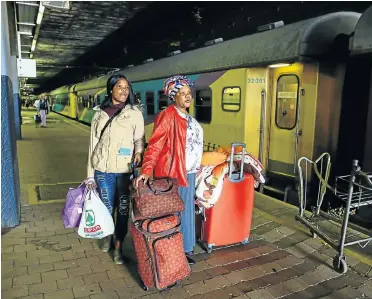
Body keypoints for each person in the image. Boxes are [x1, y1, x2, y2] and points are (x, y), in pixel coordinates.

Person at [135, 75, 203, 265]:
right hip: (175, 173)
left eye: (189, 93)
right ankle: (178, 251)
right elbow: (155, 145)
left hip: (188, 171)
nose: (187, 96)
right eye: (182, 93)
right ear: (174, 97)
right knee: (178, 213)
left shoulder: (186, 116)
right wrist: (147, 170)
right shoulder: (168, 115)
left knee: (186, 210)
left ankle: (186, 249)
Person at [85, 74, 145, 264]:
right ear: (111, 89)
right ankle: (108, 236)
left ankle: (119, 244)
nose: (124, 91)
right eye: (120, 86)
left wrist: (139, 152)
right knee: (107, 207)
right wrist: (89, 175)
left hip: (125, 170)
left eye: (127, 87)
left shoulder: (134, 113)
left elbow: (139, 139)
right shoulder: (99, 114)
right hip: (102, 170)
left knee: (124, 209)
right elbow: (92, 145)